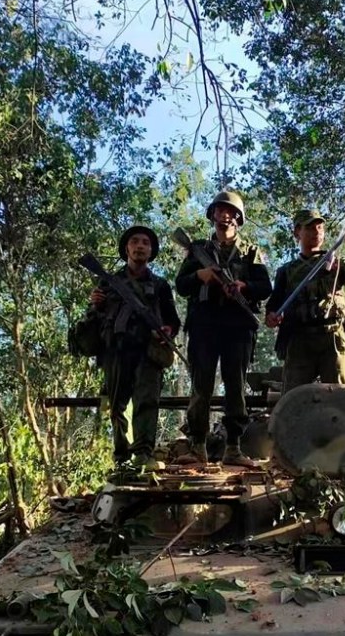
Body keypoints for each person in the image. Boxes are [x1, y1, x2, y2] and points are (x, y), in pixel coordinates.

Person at [174, 190, 272, 468]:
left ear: (238, 219)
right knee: (200, 385)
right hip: (204, 325)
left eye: (229, 212)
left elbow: (265, 288)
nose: (224, 217)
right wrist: (200, 275)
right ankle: (197, 447)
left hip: (238, 328)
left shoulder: (251, 252)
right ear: (212, 215)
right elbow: (181, 285)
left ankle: (233, 447)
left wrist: (244, 287)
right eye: (219, 211)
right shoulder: (198, 251)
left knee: (236, 387)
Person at [86, 225, 181, 473]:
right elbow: (95, 319)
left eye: (145, 243)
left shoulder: (160, 285)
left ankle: (142, 454)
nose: (140, 246)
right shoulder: (108, 282)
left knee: (147, 402)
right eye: (135, 242)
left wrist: (167, 331)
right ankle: (121, 458)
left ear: (151, 251)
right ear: (126, 248)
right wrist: (95, 304)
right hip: (116, 351)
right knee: (117, 406)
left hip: (148, 352)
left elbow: (173, 320)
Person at [265, 209, 345, 392]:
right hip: (300, 339)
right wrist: (271, 316)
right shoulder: (287, 271)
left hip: (332, 337)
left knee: (340, 395)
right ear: (297, 232)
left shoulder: (336, 264)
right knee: (294, 397)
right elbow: (274, 305)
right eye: (310, 228)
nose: (316, 232)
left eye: (319, 227)